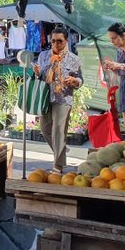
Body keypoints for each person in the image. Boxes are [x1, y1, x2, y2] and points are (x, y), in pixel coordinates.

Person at [34, 27, 83, 174]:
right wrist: (37, 73)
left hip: (63, 98)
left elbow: (80, 80)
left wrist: (74, 80)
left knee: (58, 131)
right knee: (44, 128)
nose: (56, 44)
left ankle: (58, 165)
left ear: (66, 41)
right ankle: (60, 148)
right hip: (45, 97)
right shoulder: (43, 55)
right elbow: (40, 76)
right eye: (53, 41)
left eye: (59, 41)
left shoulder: (74, 59)